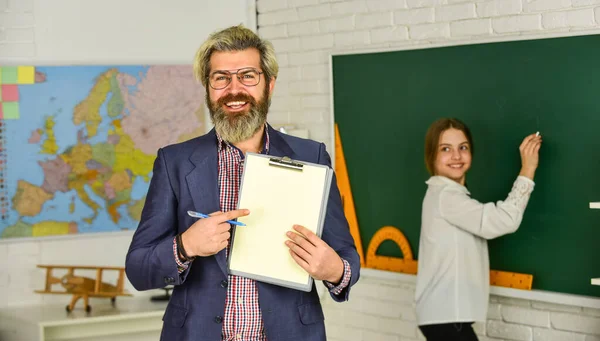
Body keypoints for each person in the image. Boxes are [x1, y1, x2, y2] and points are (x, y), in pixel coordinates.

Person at [125, 25, 360, 341]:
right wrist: (186, 246)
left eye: (248, 76)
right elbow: (138, 268)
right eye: (220, 78)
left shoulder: (311, 156)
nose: (234, 89)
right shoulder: (175, 162)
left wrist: (334, 270)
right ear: (208, 87)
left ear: (269, 84)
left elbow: (346, 257)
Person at [415, 118, 541, 341]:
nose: (456, 156)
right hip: (446, 317)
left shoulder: (445, 194)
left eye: (463, 147)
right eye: (446, 149)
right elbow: (504, 220)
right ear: (431, 156)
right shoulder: (446, 196)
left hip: (443, 316)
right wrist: (528, 168)